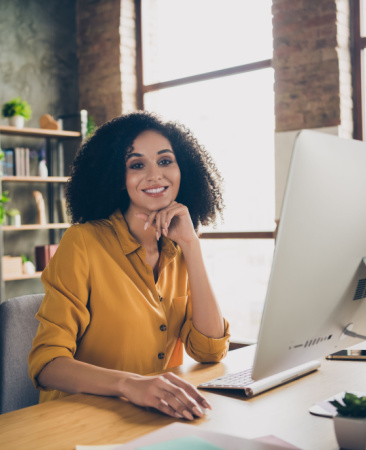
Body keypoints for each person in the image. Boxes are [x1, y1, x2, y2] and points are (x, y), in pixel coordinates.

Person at [28, 111, 230, 421]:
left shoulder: (178, 247)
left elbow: (210, 350)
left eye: (165, 161)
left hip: (151, 418)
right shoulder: (82, 242)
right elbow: (47, 364)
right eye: (137, 165)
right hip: (79, 421)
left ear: (182, 169)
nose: (155, 176)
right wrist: (131, 384)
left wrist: (192, 246)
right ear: (117, 178)